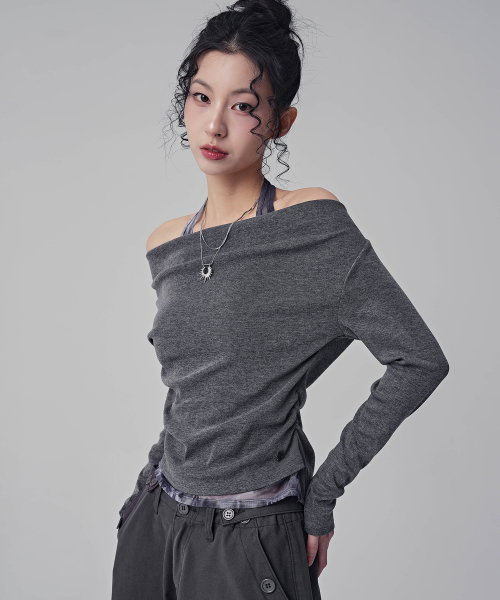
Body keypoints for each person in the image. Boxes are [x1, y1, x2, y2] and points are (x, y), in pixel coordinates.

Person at [111, 1, 449, 598]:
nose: (215, 125)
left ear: (281, 121)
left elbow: (418, 360)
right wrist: (146, 484)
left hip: (248, 533)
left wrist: (323, 495)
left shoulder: (312, 224)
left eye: (243, 106)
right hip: (155, 521)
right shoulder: (165, 243)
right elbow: (197, 386)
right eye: (201, 97)